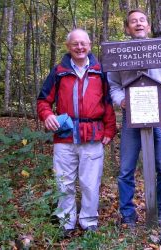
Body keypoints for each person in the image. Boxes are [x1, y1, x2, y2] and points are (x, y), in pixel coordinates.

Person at [107, 9, 161, 227]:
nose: (138, 24)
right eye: (133, 21)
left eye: (142, 20)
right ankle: (128, 215)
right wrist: (121, 100)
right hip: (131, 118)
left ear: (148, 26)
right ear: (127, 28)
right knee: (126, 169)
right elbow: (113, 84)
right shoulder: (118, 54)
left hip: (160, 117)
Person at [37, 28, 117, 236]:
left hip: (93, 134)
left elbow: (108, 103)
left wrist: (110, 128)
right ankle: (65, 221)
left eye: (83, 43)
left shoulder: (101, 71)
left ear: (90, 45)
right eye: (75, 44)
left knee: (90, 183)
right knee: (63, 182)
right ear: (68, 47)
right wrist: (47, 115)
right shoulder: (59, 72)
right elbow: (43, 100)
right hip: (64, 136)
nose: (79, 47)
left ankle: (89, 221)